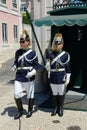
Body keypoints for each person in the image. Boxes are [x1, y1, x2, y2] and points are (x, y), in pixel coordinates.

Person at [11, 32, 38, 119]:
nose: (21, 43)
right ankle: (20, 110)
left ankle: (30, 110)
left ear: (28, 42)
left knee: (30, 94)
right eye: (20, 42)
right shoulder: (18, 52)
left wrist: (32, 72)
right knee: (16, 94)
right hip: (19, 76)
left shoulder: (33, 53)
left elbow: (36, 65)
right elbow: (16, 62)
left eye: (23, 41)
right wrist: (14, 66)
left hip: (28, 77)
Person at [45, 33, 71, 117]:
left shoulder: (65, 55)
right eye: (56, 43)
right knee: (54, 93)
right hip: (52, 76)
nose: (57, 45)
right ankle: (55, 108)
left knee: (61, 93)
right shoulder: (50, 54)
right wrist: (47, 66)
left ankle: (60, 108)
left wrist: (68, 79)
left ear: (62, 44)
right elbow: (48, 67)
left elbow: (68, 69)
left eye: (59, 43)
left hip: (61, 77)